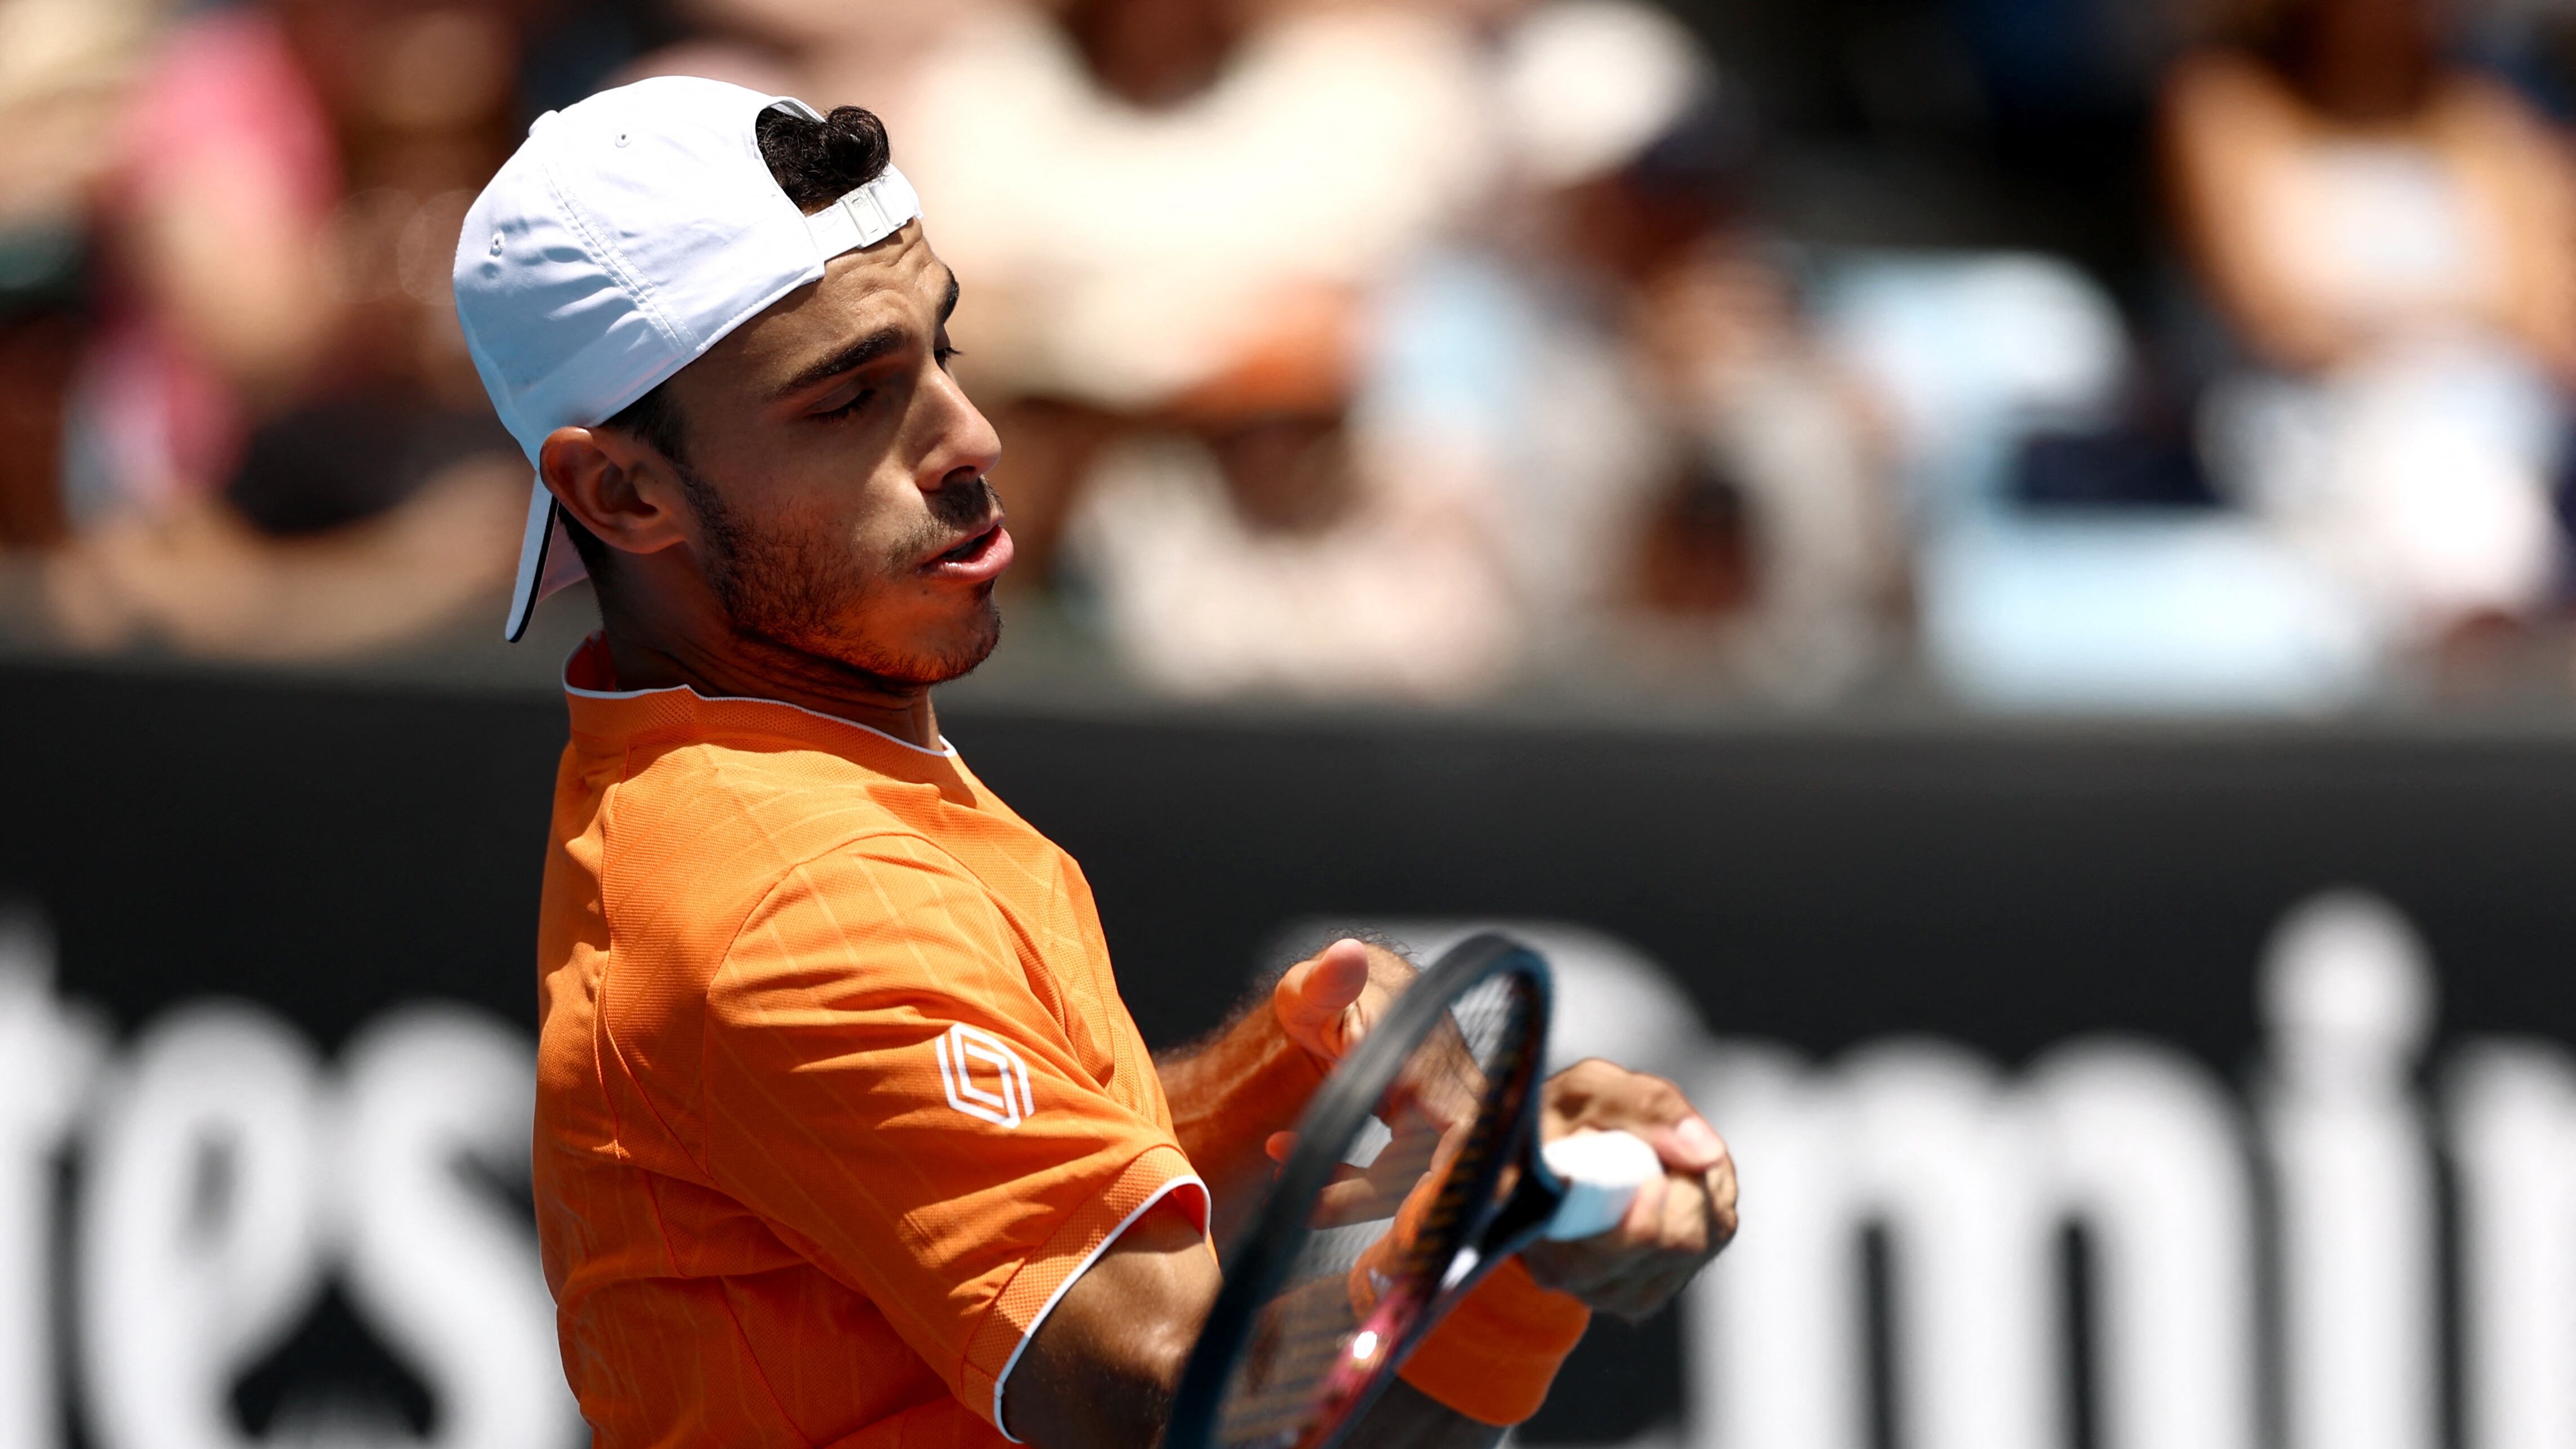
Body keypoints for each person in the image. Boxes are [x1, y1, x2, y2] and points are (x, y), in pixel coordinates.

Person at [453, 78, 1738, 1449]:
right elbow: (1185, 1402)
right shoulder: (806, 897)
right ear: (621, 493)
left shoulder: (734, 770)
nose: (966, 437)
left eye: (939, 350)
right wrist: (1511, 1241)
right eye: (846, 402)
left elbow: (953, 1201)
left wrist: (1281, 1072)